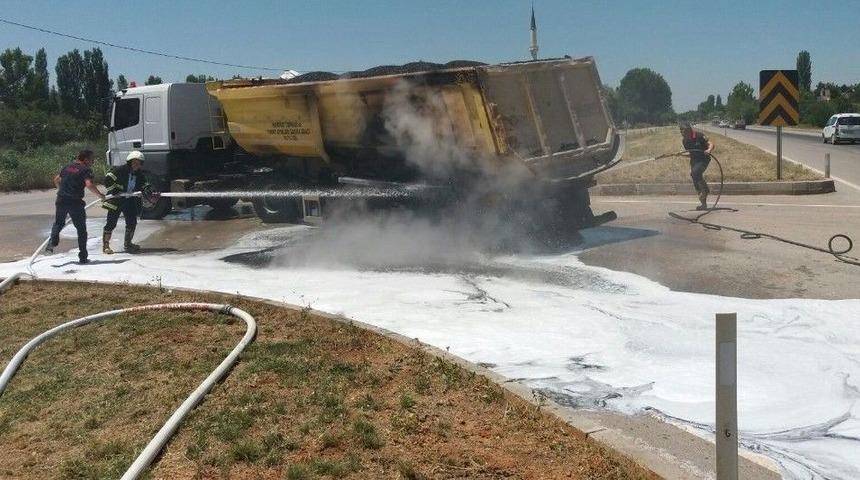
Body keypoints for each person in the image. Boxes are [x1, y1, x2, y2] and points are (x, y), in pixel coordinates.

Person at [46, 149, 106, 263]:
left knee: (59, 223)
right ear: (86, 159)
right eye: (91, 159)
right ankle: (83, 257)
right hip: (75, 202)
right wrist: (100, 195)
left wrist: (61, 190)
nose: (92, 161)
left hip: (61, 199)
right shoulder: (86, 170)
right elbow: (89, 184)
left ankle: (52, 242)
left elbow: (56, 179)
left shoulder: (67, 167)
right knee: (81, 230)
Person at [102, 151, 152, 254]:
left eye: (139, 163)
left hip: (128, 200)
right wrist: (115, 189)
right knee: (111, 223)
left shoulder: (139, 174)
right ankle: (106, 246)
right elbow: (107, 179)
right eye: (135, 162)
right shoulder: (120, 170)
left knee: (131, 222)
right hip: (115, 200)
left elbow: (144, 183)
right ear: (130, 162)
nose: (137, 165)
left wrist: (146, 188)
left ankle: (128, 244)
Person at [679, 123, 714, 210]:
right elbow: (691, 153)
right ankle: (703, 204)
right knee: (694, 178)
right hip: (694, 161)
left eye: (684, 132)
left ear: (689, 130)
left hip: (704, 159)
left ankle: (705, 190)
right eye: (681, 132)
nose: (683, 134)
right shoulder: (685, 141)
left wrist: (709, 150)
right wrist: (681, 155)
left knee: (695, 172)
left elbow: (711, 144)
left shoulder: (699, 135)